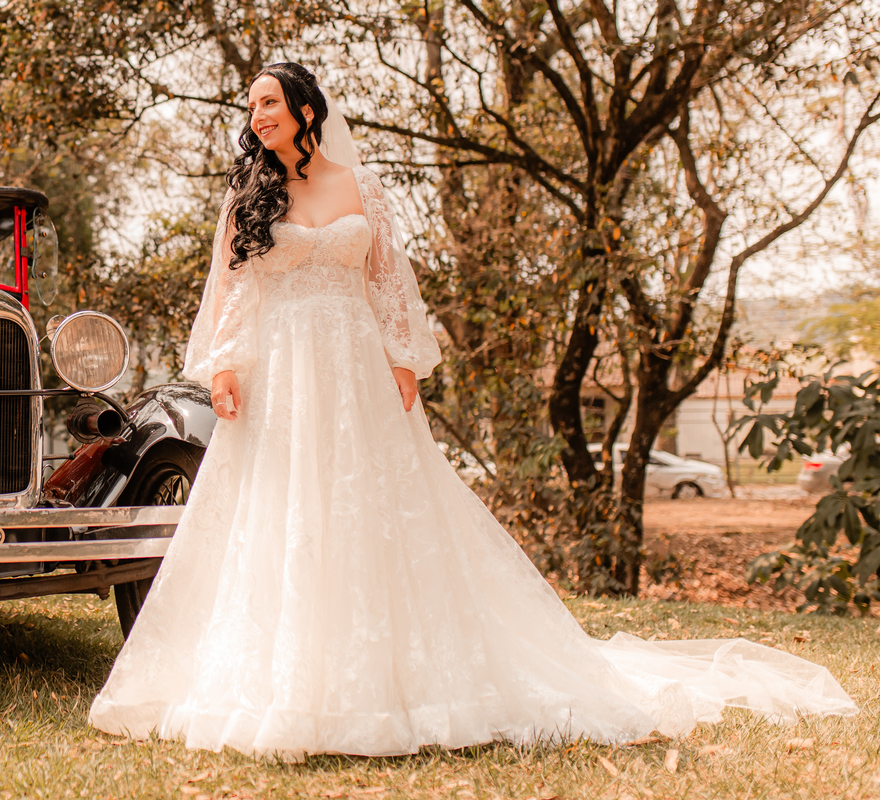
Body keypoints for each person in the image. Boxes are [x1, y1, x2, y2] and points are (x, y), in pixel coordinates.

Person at [88, 62, 857, 760]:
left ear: (305, 106)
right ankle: (283, 682)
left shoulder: (362, 187)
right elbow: (232, 292)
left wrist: (403, 359)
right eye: (250, 104)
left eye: (269, 100)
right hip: (282, 372)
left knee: (371, 508)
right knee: (286, 510)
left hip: (357, 370)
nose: (257, 114)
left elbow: (390, 282)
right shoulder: (250, 198)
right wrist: (224, 365)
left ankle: (400, 674)